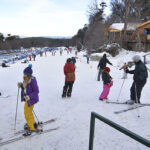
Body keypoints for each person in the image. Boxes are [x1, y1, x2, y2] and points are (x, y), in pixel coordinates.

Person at [17, 64, 42, 136]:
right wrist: (21, 85)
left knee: (27, 113)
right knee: (27, 112)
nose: (24, 75)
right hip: (27, 99)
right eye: (23, 73)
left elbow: (36, 91)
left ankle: (32, 127)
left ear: (28, 75)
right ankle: (32, 123)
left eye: (25, 74)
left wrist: (29, 97)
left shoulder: (32, 81)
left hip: (31, 100)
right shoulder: (26, 79)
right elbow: (25, 88)